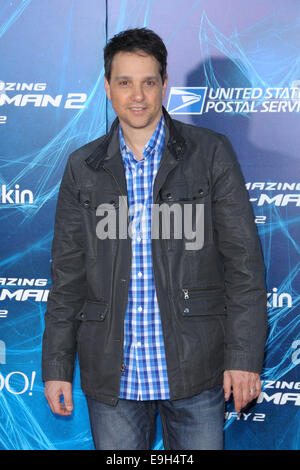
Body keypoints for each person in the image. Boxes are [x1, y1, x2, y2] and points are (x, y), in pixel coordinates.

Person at [42, 28, 267, 450]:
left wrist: (242, 358)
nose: (138, 95)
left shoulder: (211, 153)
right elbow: (67, 276)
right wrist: (56, 365)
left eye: (149, 82)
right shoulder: (82, 168)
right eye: (125, 82)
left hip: (196, 372)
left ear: (165, 84)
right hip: (112, 378)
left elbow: (244, 266)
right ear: (108, 87)